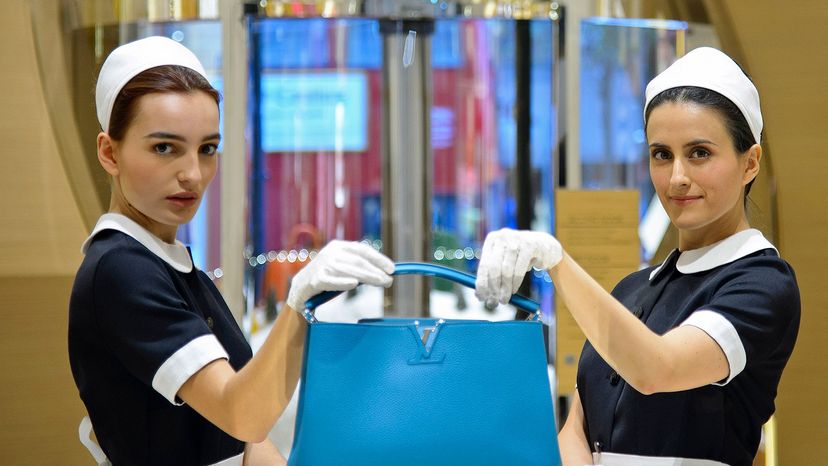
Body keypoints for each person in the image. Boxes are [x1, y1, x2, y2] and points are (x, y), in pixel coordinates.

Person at [68, 36, 395, 465]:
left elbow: (246, 442)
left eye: (207, 149)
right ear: (110, 152)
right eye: (164, 147)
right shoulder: (120, 271)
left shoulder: (178, 272)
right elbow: (242, 415)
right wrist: (298, 302)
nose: (192, 174)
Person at [475, 47, 800, 466]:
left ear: (750, 162)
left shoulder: (763, 283)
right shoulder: (631, 290)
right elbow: (578, 426)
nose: (678, 177)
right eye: (662, 154)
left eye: (699, 153)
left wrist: (556, 260)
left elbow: (655, 369)